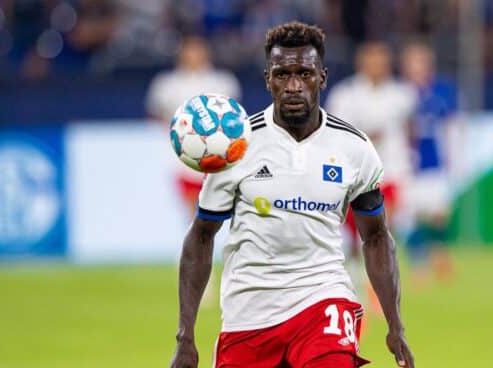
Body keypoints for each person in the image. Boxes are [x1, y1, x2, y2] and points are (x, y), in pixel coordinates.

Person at [170, 22, 414, 368]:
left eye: (305, 73)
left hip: (324, 298)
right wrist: (186, 337)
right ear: (268, 79)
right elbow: (201, 236)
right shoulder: (237, 147)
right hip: (249, 313)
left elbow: (375, 236)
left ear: (323, 78)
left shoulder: (354, 147)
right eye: (283, 75)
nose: (294, 86)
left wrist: (395, 324)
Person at [326, 41, 416, 309]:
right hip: (356, 176)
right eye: (371, 60)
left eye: (381, 60)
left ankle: (379, 286)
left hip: (392, 171)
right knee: (354, 237)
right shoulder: (346, 95)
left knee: (385, 229)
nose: (377, 66)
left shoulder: (403, 94)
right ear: (361, 63)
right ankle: (356, 282)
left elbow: (412, 130)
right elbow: (335, 132)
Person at [146, 35, 241, 213]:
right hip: (181, 156)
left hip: (215, 154)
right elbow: (154, 116)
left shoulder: (223, 81)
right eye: (190, 49)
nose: (194, 55)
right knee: (189, 212)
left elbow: (234, 119)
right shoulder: (166, 84)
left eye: (198, 49)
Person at [399, 40, 456, 286]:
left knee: (438, 214)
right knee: (407, 216)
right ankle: (419, 264)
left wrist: (453, 156)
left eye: (420, 62)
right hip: (405, 164)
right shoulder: (398, 94)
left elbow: (452, 125)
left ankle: (439, 253)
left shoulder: (442, 91)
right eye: (412, 62)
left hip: (433, 162)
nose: (416, 67)